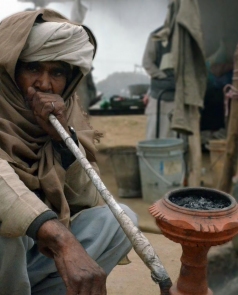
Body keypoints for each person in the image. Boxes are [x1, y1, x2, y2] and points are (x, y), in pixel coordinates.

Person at [0, 8, 137, 295]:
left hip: (33, 254)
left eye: (57, 72)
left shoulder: (66, 113)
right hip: (17, 242)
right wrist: (61, 239)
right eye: (33, 67)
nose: (45, 84)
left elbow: (88, 200)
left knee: (120, 219)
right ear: (10, 68)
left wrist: (63, 142)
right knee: (6, 234)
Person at [142, 25, 176, 140]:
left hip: (179, 99)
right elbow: (147, 63)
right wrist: (164, 77)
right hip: (159, 98)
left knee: (175, 140)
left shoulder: (185, 36)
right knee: (155, 137)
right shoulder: (156, 35)